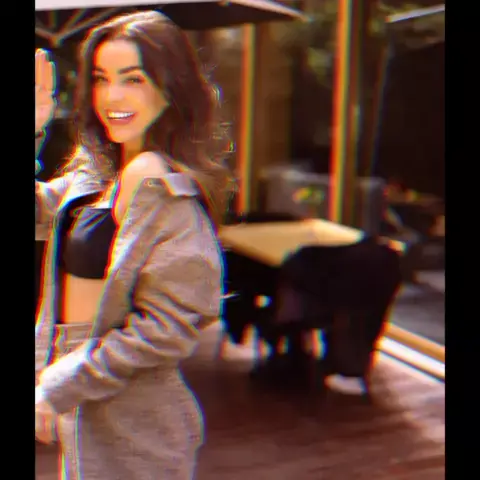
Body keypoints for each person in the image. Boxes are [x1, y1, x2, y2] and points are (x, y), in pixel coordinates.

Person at [35, 11, 232, 480]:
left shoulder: (163, 186)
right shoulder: (100, 172)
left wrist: (61, 382)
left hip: (132, 411)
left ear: (171, 86)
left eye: (134, 79)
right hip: (84, 389)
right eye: (102, 79)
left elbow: (168, 327)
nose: (113, 96)